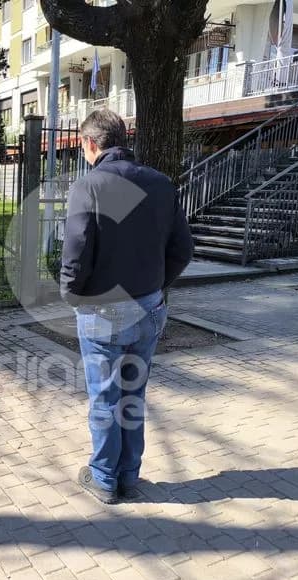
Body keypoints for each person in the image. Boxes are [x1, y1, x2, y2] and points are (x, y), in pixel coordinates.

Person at [60, 109, 194, 504]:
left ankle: (103, 478)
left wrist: (71, 292)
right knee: (133, 395)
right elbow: (183, 250)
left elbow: (77, 249)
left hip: (102, 311)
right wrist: (156, 286)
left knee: (105, 398)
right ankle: (129, 477)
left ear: (89, 143)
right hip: (148, 308)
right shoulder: (161, 184)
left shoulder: (90, 185)